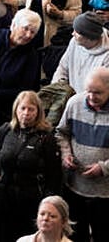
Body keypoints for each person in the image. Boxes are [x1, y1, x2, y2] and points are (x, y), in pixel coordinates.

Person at [0, 90, 63, 241]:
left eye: (31, 109)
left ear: (38, 112)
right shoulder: (6, 129)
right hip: (3, 193)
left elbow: (54, 174)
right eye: (22, 108)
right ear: (16, 110)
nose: (26, 113)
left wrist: (49, 202)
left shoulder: (46, 137)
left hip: (30, 197)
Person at [56, 67, 109, 242]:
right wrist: (66, 154)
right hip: (75, 186)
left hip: (104, 192)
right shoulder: (74, 103)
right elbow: (61, 133)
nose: (92, 97)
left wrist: (104, 167)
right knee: (76, 236)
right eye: (89, 91)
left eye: (98, 93)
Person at [0, 10, 45, 115]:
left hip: (4, 108)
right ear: (14, 25)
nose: (28, 35)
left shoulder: (31, 56)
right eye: (25, 29)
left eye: (33, 32)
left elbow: (26, 90)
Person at [52, 12, 109, 94]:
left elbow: (101, 89)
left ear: (89, 38)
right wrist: (58, 85)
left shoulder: (106, 56)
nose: (72, 34)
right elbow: (63, 67)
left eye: (77, 32)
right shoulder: (74, 42)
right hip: (68, 96)